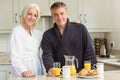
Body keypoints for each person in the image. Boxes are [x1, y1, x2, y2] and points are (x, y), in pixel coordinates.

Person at [41, 1, 97, 76]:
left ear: (67, 13)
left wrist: (89, 70)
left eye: (62, 13)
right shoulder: (47, 35)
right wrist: (50, 68)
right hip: (59, 75)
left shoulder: (80, 29)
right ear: (52, 16)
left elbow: (89, 51)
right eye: (56, 15)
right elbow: (47, 55)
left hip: (80, 74)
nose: (59, 17)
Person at [9, 3, 44, 77]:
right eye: (29, 14)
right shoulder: (17, 31)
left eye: (35, 15)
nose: (32, 17)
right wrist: (23, 71)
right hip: (24, 71)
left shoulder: (38, 34)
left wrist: (70, 26)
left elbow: (51, 42)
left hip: (37, 70)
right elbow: (15, 57)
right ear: (24, 14)